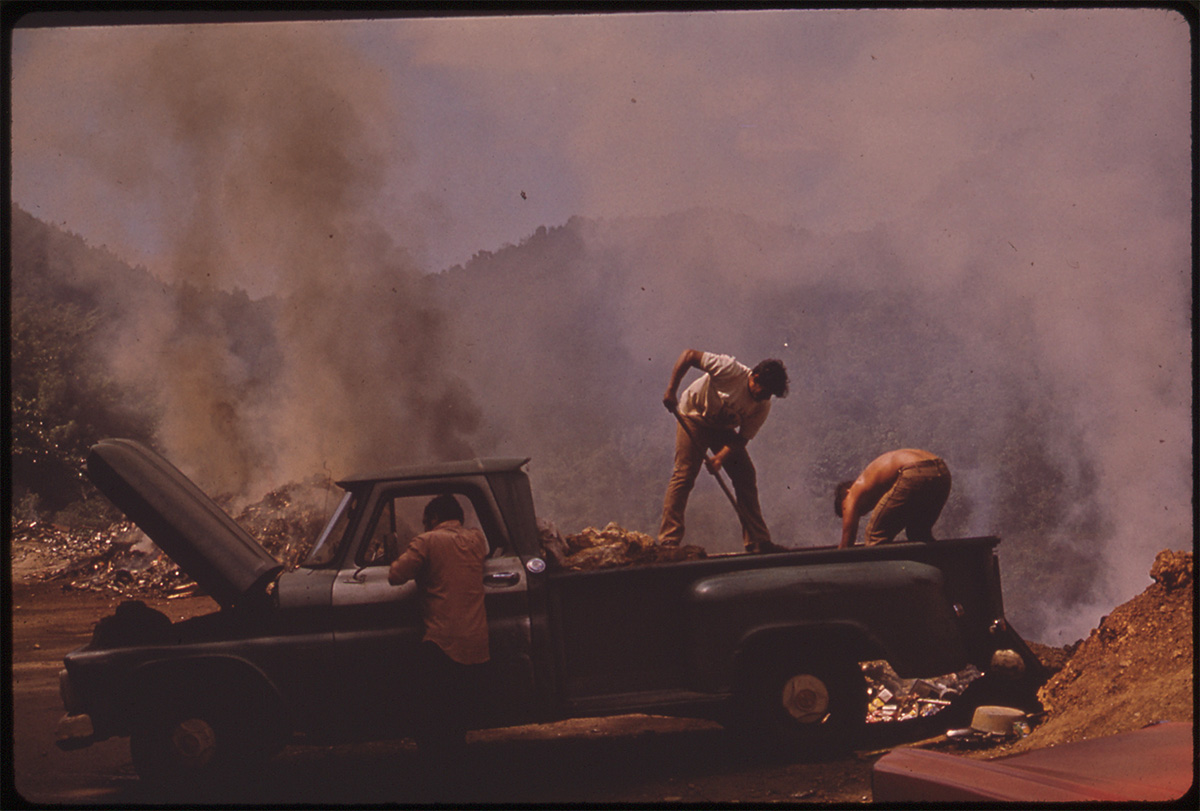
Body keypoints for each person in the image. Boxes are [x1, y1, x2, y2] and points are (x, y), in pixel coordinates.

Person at [659, 349, 789, 553]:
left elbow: (742, 438)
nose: (764, 397)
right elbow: (689, 355)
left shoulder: (762, 406)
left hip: (723, 429)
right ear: (754, 378)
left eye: (769, 395)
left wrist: (719, 458)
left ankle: (757, 541)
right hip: (693, 416)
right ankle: (669, 540)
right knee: (684, 475)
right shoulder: (729, 369)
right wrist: (671, 390)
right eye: (763, 391)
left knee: (745, 476)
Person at [388, 493, 489, 757]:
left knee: (425, 706)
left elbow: (395, 575)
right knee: (456, 712)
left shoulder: (427, 541)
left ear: (433, 518)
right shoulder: (477, 539)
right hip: (477, 644)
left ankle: (438, 767)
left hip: (443, 643)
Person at [835, 449, 952, 548]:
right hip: (941, 471)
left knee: (874, 536)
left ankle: (882, 575)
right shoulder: (875, 482)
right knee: (918, 534)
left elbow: (847, 543)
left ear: (846, 493)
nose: (856, 513)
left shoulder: (852, 493)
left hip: (914, 470)